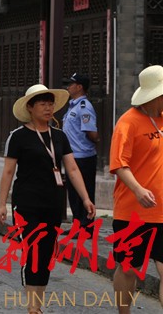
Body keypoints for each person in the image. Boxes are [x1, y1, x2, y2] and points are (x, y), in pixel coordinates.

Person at [0, 84, 95, 314]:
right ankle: (33, 308)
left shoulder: (60, 136)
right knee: (32, 251)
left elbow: (71, 169)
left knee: (47, 251)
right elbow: (8, 172)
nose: (48, 108)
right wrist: (2, 204)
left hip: (53, 203)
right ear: (30, 107)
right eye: (43, 104)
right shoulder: (18, 137)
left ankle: (37, 304)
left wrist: (86, 198)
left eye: (51, 104)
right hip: (27, 204)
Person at [110, 65, 163, 314]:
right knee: (129, 267)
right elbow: (119, 164)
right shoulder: (128, 122)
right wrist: (139, 190)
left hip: (162, 210)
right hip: (131, 211)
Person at [61, 72, 99, 228]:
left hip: (83, 156)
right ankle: (77, 224)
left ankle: (86, 226)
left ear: (79, 87)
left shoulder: (84, 107)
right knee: (74, 193)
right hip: (73, 156)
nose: (68, 87)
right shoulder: (73, 106)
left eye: (71, 84)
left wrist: (94, 140)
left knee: (84, 193)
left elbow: (92, 133)